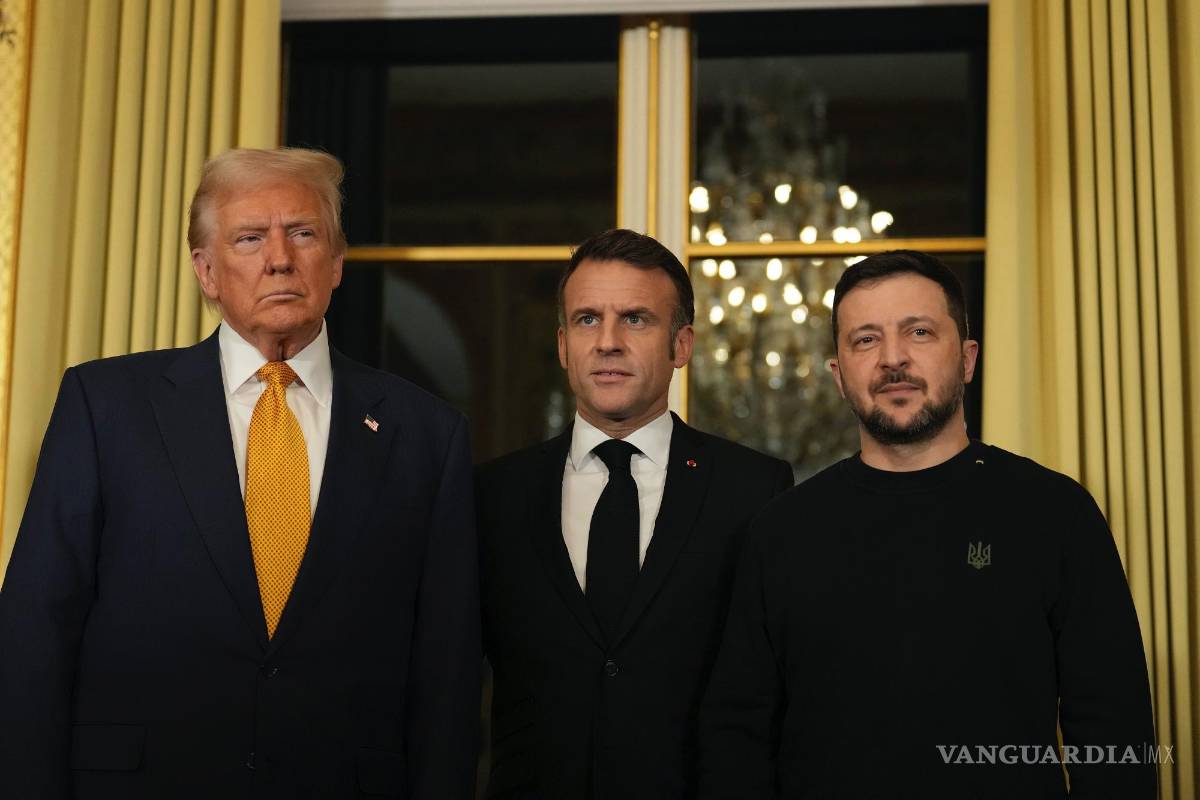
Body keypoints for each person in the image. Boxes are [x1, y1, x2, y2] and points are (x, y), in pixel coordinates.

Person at [0, 148, 481, 799]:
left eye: (304, 234)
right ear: (206, 270)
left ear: (336, 263)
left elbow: (447, 670)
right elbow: (35, 632)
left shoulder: (426, 433)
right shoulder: (105, 406)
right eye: (249, 238)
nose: (279, 258)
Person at [698, 250, 1156, 799]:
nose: (893, 358)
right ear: (839, 376)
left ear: (967, 359)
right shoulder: (780, 532)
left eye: (918, 332)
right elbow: (737, 739)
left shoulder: (1055, 513)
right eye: (865, 339)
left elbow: (1113, 728)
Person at [476, 228, 794, 800]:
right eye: (587, 319)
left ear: (682, 346)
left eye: (637, 319)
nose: (608, 342)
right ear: (562, 345)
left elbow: (771, 687)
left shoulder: (753, 488)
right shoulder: (493, 495)